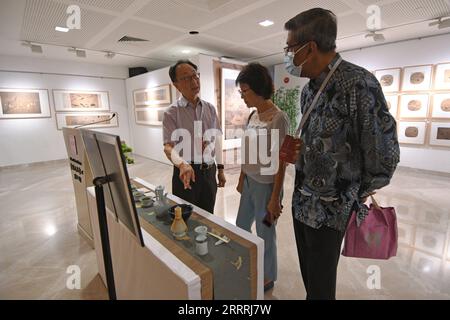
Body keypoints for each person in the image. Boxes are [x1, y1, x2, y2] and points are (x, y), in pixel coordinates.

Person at [283, 8, 400, 299]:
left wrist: (354, 193)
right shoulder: (308, 90)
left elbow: (384, 153)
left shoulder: (359, 84)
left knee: (322, 287)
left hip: (331, 210)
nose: (287, 55)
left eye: (290, 49)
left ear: (309, 48)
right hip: (302, 203)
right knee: (311, 279)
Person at [235, 63, 290, 292]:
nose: (243, 97)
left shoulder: (279, 119)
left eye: (245, 91)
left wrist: (275, 198)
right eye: (241, 92)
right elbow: (247, 150)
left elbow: (281, 161)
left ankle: (267, 276)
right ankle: (249, 262)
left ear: (258, 88)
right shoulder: (253, 116)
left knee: (266, 231)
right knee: (240, 225)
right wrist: (241, 177)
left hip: (267, 187)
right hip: (249, 182)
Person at [163, 60, 226, 213]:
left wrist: (221, 169)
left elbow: (217, 140)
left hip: (209, 172)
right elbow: (168, 147)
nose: (194, 81)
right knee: (186, 216)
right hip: (186, 173)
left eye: (195, 75)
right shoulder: (171, 112)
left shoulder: (210, 108)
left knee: (208, 215)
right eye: (186, 78)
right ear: (176, 84)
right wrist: (182, 164)